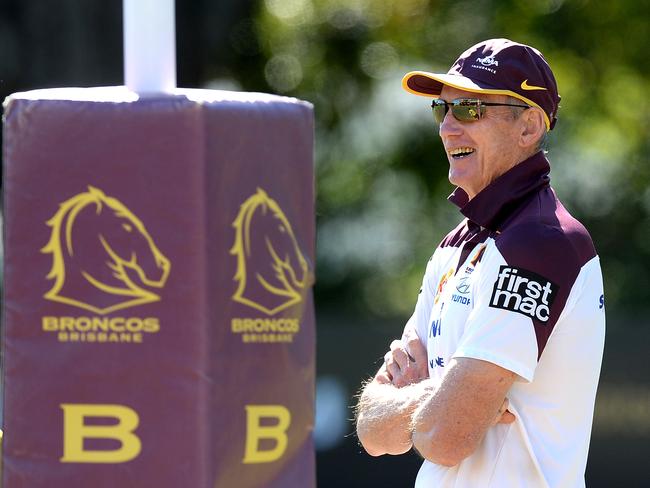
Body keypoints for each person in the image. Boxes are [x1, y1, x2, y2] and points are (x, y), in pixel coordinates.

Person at [355, 38, 605, 487]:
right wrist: (443, 394)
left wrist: (434, 403)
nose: (447, 128)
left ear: (529, 127)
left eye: (469, 109)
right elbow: (372, 431)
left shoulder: (542, 241)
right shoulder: (457, 244)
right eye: (442, 109)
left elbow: (446, 438)